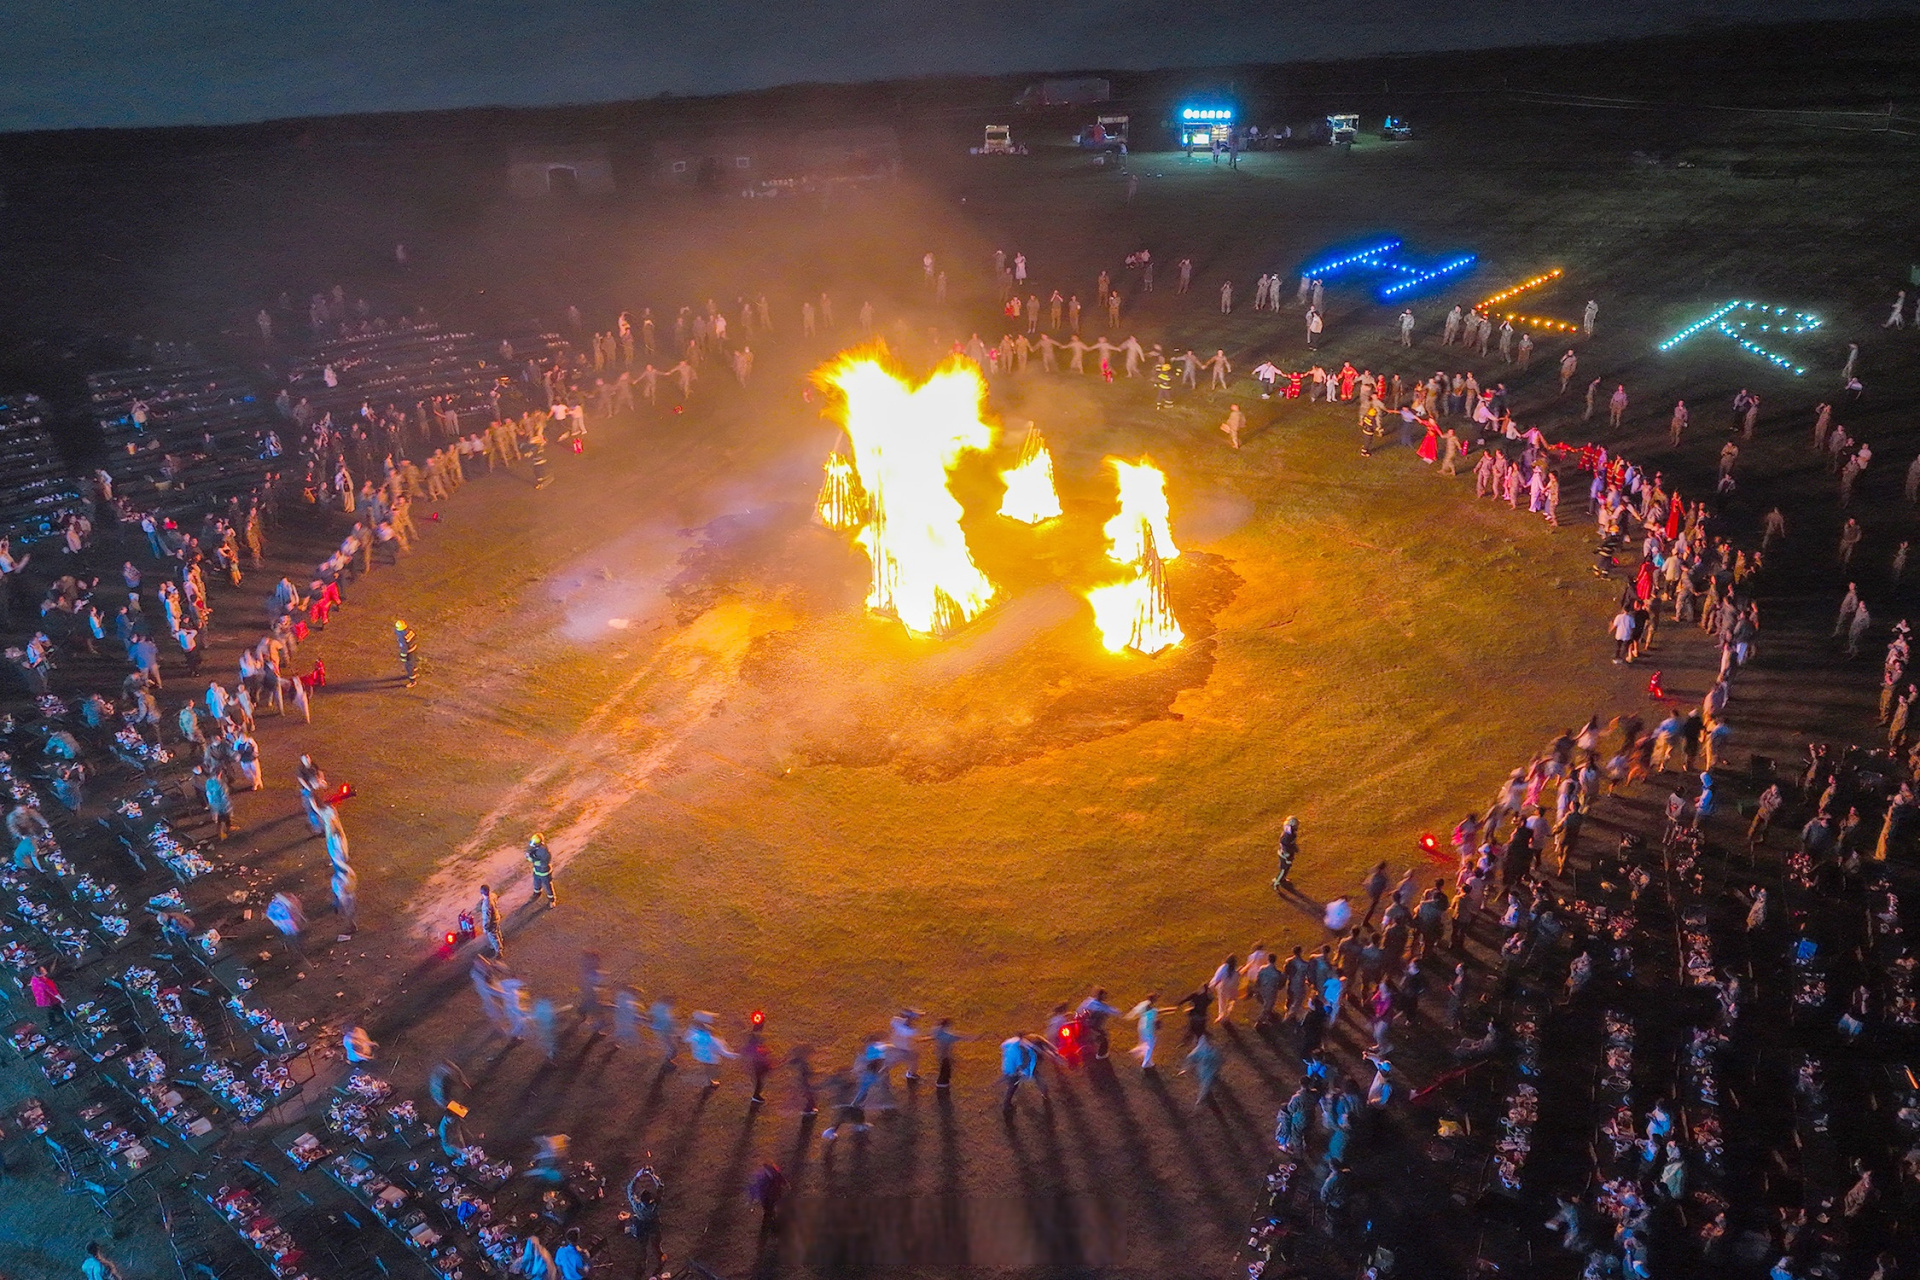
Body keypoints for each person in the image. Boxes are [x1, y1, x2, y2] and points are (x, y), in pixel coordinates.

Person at [526, 833, 556, 906]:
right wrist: (529, 854)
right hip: (537, 871)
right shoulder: (535, 848)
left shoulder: (544, 852)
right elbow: (530, 852)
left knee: (548, 886)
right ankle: (536, 893)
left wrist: (531, 859)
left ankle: (551, 900)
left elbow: (543, 863)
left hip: (544, 873)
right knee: (536, 884)